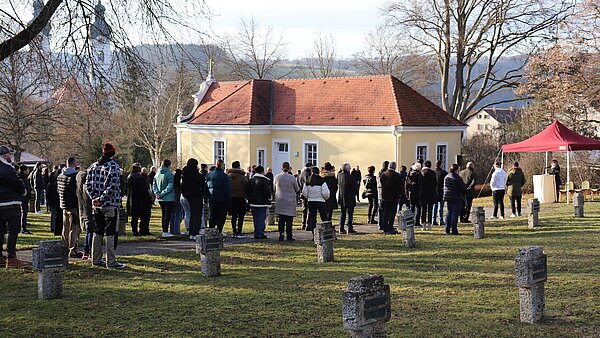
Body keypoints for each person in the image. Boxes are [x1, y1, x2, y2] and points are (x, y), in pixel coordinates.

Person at [86, 143, 126, 268]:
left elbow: (87, 185)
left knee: (97, 232)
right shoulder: (113, 167)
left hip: (96, 205)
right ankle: (111, 261)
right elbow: (112, 187)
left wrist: (94, 198)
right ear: (112, 154)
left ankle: (96, 259)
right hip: (110, 205)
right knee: (110, 233)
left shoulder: (93, 167)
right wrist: (101, 199)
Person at [0, 145, 28, 268]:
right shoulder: (7, 169)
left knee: (0, 231)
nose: (10, 156)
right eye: (9, 155)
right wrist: (23, 192)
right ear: (5, 156)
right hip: (10, 203)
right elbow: (18, 184)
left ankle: (0, 256)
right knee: (13, 230)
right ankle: (11, 257)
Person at [57, 157, 81, 258]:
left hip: (63, 204)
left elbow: (58, 190)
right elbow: (75, 193)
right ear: (74, 163)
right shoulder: (74, 176)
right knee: (74, 228)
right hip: (73, 206)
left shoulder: (60, 175)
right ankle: (73, 249)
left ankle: (64, 246)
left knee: (65, 227)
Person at [274, 162, 299, 241]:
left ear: (282, 167)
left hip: (280, 200)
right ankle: (289, 235)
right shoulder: (292, 178)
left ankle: (281, 234)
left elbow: (274, 188)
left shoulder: (277, 177)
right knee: (289, 220)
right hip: (290, 201)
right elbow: (297, 189)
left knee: (281, 219)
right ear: (289, 168)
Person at [205, 159, 231, 236]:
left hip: (212, 198)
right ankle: (219, 230)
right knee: (221, 216)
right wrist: (228, 199)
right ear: (222, 165)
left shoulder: (209, 175)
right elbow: (227, 189)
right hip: (222, 199)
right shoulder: (225, 176)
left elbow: (206, 187)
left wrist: (208, 196)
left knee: (212, 215)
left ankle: (211, 230)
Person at [181, 158, 205, 240]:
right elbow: (203, 185)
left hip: (188, 196)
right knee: (197, 215)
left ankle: (191, 232)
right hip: (197, 196)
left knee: (191, 214)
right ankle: (195, 232)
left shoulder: (185, 174)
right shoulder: (197, 175)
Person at [126, 163, 153, 236]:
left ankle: (134, 231)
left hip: (133, 200)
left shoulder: (129, 178)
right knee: (144, 216)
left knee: (134, 217)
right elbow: (144, 190)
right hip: (142, 200)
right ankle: (143, 230)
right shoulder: (140, 179)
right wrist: (149, 199)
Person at [302, 166, 330, 233]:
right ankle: (326, 232)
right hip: (321, 201)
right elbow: (326, 193)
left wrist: (308, 197)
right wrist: (324, 198)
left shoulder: (308, 181)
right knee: (324, 218)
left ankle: (314, 234)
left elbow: (304, 192)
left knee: (312, 219)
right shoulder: (322, 181)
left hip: (311, 201)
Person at [248, 165, 272, 239]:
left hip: (253, 202)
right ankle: (260, 233)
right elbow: (267, 192)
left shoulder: (251, 180)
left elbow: (248, 191)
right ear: (262, 172)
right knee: (261, 218)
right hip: (263, 202)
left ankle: (256, 232)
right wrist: (269, 198)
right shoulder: (265, 180)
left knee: (255, 218)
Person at [153, 159, 175, 238]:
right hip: (168, 197)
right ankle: (165, 231)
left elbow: (154, 184)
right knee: (167, 215)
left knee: (163, 215)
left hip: (160, 198)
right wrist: (162, 194)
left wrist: (157, 193)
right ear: (169, 165)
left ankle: (164, 230)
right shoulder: (169, 174)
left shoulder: (157, 173)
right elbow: (169, 187)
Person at [379, 161, 403, 234]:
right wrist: (401, 194)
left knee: (386, 212)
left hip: (385, 196)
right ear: (394, 167)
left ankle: (385, 227)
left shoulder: (383, 175)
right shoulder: (397, 175)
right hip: (394, 196)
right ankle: (390, 227)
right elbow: (400, 186)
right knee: (392, 212)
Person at [76, 167, 94, 260]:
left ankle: (86, 252)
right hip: (89, 211)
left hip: (82, 210)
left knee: (88, 232)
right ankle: (90, 252)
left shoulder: (79, 185)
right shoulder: (87, 186)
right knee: (91, 231)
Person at [443, 164, 466, 235]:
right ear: (456, 170)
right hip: (456, 197)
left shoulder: (446, 177)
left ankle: (447, 228)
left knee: (449, 213)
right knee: (455, 214)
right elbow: (462, 188)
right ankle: (454, 229)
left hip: (448, 196)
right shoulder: (457, 178)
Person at [228, 161, 249, 239]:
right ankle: (239, 231)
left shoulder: (228, 176)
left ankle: (234, 230)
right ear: (239, 166)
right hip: (241, 198)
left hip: (231, 198)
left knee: (233, 216)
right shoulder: (242, 177)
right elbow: (247, 187)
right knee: (241, 216)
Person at [337, 162, 357, 234]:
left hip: (342, 197)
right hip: (350, 197)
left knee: (343, 213)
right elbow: (355, 187)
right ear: (347, 169)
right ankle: (349, 228)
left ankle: (341, 228)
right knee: (350, 213)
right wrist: (355, 193)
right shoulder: (350, 177)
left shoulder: (339, 175)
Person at [419, 160, 437, 227]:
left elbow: (419, 183)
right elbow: (435, 183)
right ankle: (429, 223)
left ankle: (423, 223)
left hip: (423, 193)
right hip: (431, 193)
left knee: (423, 209)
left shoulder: (421, 173)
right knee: (430, 209)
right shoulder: (433, 173)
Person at [46, 166, 63, 236]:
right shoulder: (56, 185)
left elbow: (48, 194)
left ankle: (53, 227)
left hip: (52, 201)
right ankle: (55, 228)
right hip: (56, 201)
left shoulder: (49, 185)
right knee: (57, 216)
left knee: (53, 215)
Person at [406, 163, 422, 227]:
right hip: (418, 192)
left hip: (411, 192)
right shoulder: (419, 175)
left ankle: (411, 221)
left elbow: (406, 184)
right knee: (418, 207)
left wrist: (407, 192)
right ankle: (417, 222)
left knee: (412, 207)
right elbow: (421, 184)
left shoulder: (410, 174)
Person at [18, 165, 33, 234]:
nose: (28, 171)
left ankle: (23, 227)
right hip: (23, 198)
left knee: (24, 213)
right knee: (23, 213)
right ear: (24, 171)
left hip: (24, 198)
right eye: (27, 170)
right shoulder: (22, 179)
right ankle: (22, 228)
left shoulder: (22, 178)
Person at [298, 162, 313, 230]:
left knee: (304, 209)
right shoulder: (308, 174)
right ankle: (307, 224)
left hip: (302, 194)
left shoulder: (301, 174)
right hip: (308, 193)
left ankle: (303, 224)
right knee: (309, 209)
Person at [433, 160, 448, 226]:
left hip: (434, 191)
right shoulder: (444, 173)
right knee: (440, 206)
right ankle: (440, 220)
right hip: (441, 191)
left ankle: (433, 220)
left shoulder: (433, 172)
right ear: (441, 165)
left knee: (434, 206)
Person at [170, 168, 183, 235]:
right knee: (178, 215)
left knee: (172, 215)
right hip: (178, 200)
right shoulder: (180, 184)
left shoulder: (173, 181)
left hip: (172, 199)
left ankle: (172, 230)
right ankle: (177, 230)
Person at [376, 161, 389, 231]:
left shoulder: (379, 173)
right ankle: (383, 224)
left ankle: (380, 224)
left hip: (380, 193)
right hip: (384, 193)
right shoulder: (385, 174)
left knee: (380, 210)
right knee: (385, 210)